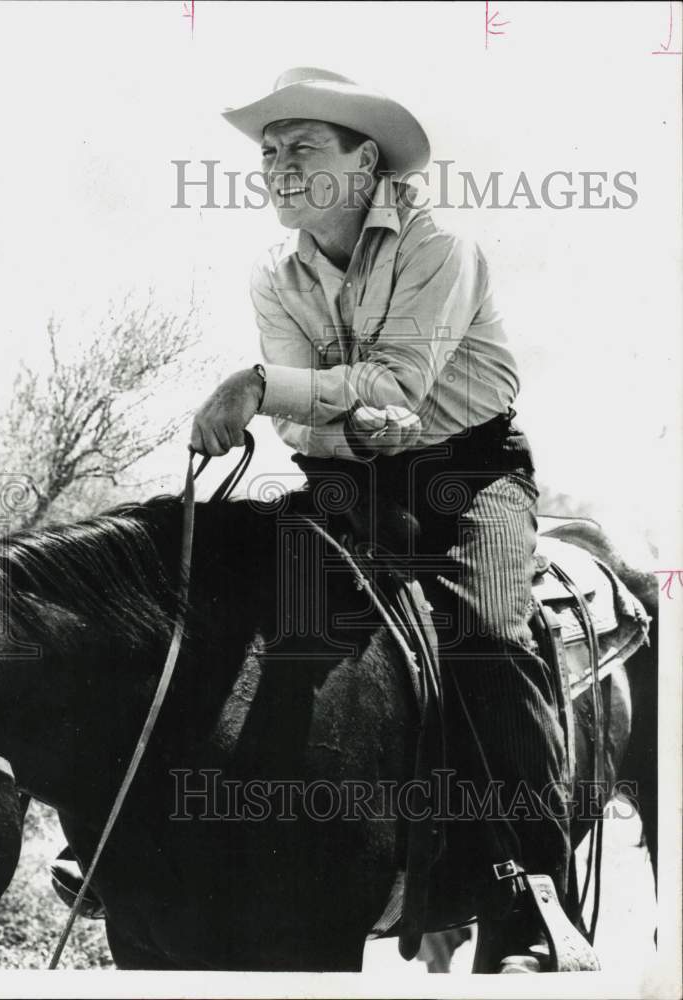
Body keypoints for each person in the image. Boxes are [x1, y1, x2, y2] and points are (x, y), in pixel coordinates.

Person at [190, 67, 574, 973]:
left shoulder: (439, 245)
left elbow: (397, 386)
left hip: (468, 472)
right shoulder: (274, 276)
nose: (277, 167)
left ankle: (534, 889)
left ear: (365, 160)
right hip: (349, 477)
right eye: (269, 153)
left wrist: (259, 386)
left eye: (301, 148)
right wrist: (319, 415)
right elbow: (301, 420)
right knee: (237, 598)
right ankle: (171, 835)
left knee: (486, 633)